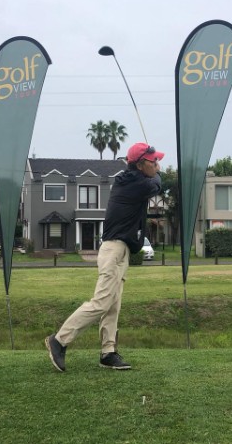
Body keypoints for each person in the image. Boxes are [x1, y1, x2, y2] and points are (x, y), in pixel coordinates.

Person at [45, 142, 164, 371]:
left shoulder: (135, 179)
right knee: (101, 303)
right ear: (140, 165)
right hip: (113, 250)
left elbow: (154, 181)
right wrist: (159, 173)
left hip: (121, 250)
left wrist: (156, 171)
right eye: (153, 161)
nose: (157, 164)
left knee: (113, 305)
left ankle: (108, 353)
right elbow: (157, 183)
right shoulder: (133, 182)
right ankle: (59, 340)